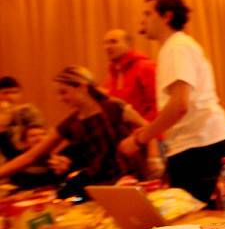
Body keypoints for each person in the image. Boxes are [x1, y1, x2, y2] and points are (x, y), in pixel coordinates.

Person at [118, 0, 225, 203]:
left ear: (166, 16)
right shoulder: (176, 47)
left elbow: (179, 105)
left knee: (190, 219)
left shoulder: (176, 47)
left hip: (198, 144)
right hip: (196, 143)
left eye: (148, 13)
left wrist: (140, 138)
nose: (142, 20)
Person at [0, 66, 150, 185]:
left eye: (64, 92)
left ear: (82, 87)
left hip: (131, 178)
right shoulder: (71, 123)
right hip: (101, 183)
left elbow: (148, 129)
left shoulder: (114, 107)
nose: (60, 99)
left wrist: (152, 157)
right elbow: (30, 156)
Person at [102, 29, 157, 121]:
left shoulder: (145, 67)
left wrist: (145, 130)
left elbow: (157, 105)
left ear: (129, 45)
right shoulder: (113, 73)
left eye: (113, 42)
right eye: (105, 43)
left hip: (144, 131)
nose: (107, 47)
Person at [0, 76, 46, 164]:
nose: (10, 96)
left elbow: (39, 138)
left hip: (23, 159)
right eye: (6, 93)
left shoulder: (28, 112)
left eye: (15, 92)